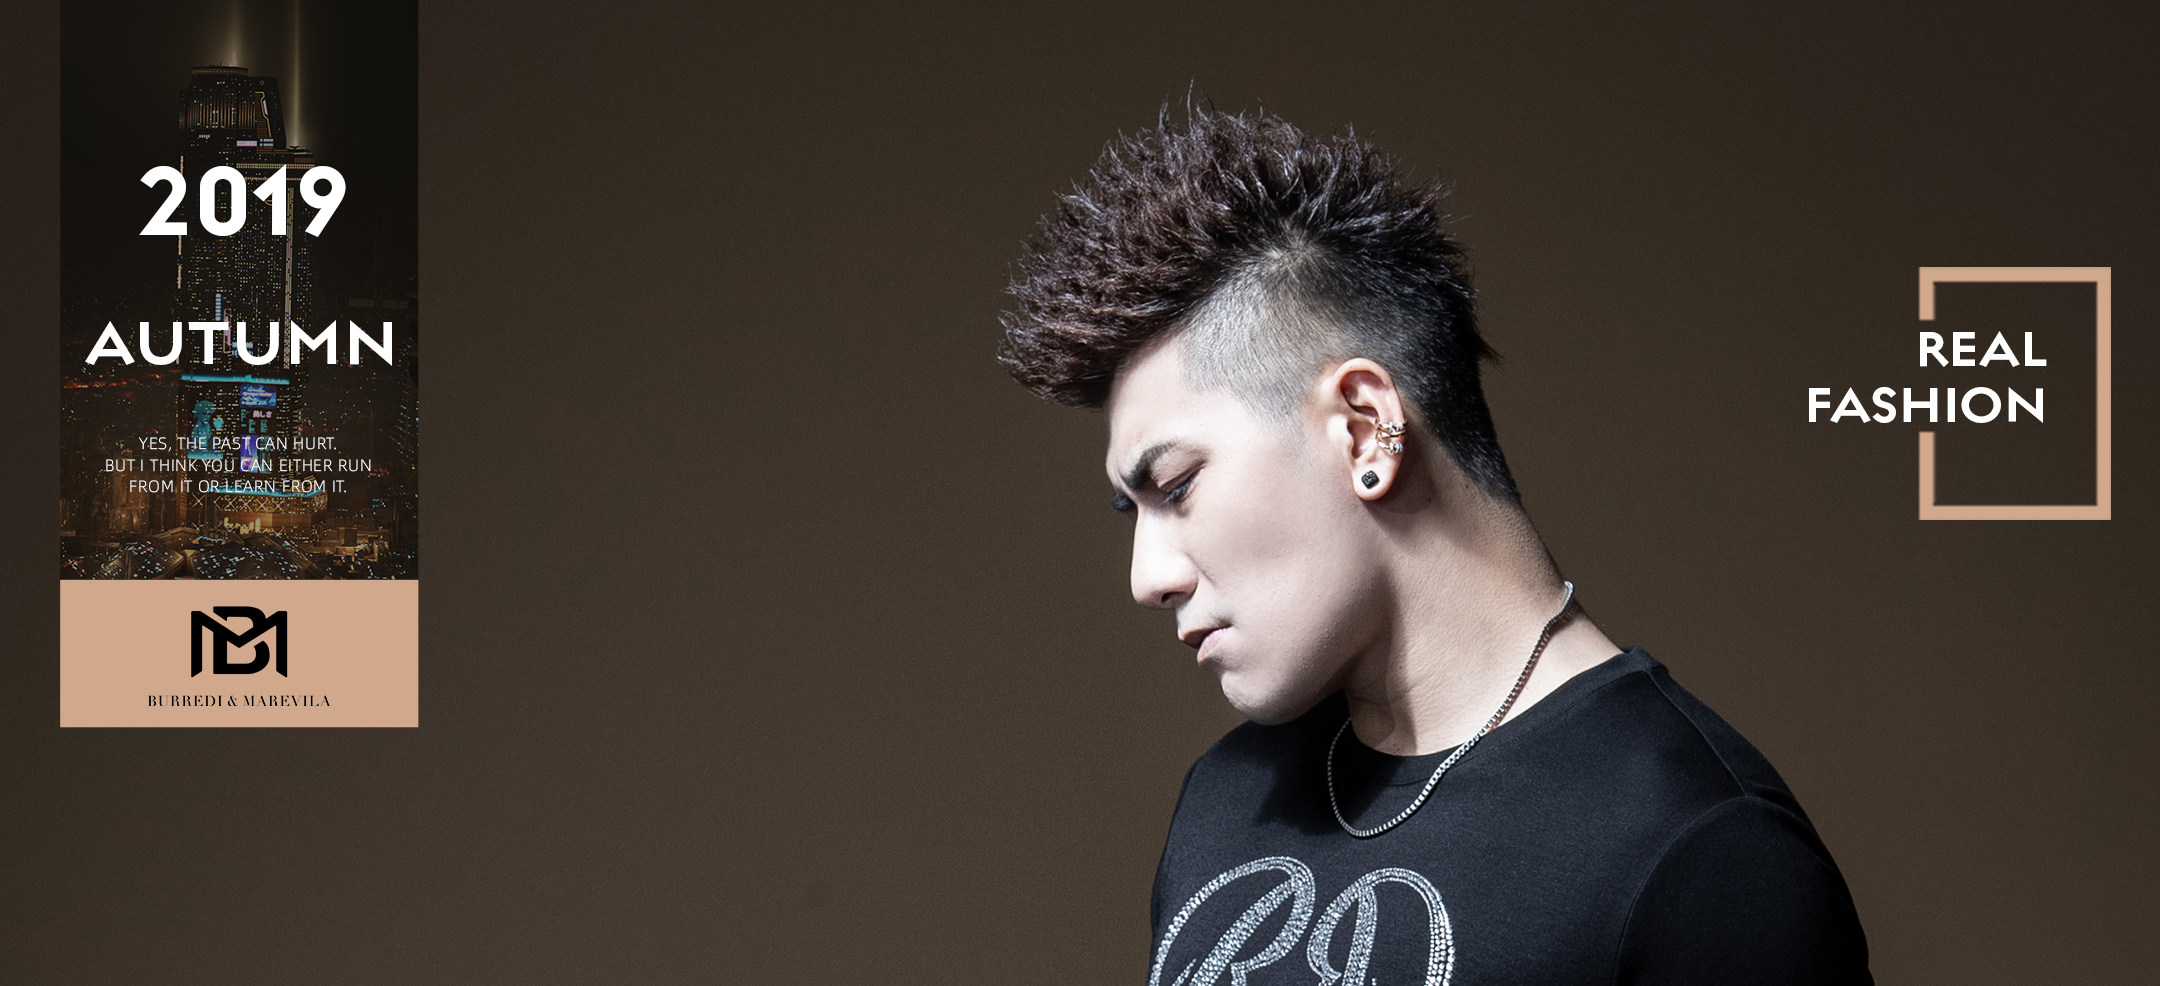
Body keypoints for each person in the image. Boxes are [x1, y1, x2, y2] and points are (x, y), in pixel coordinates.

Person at [997, 107, 1871, 985]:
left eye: (1178, 486)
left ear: (1364, 430)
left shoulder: (1702, 854)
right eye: (1133, 510)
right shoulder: (1229, 802)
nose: (1147, 578)